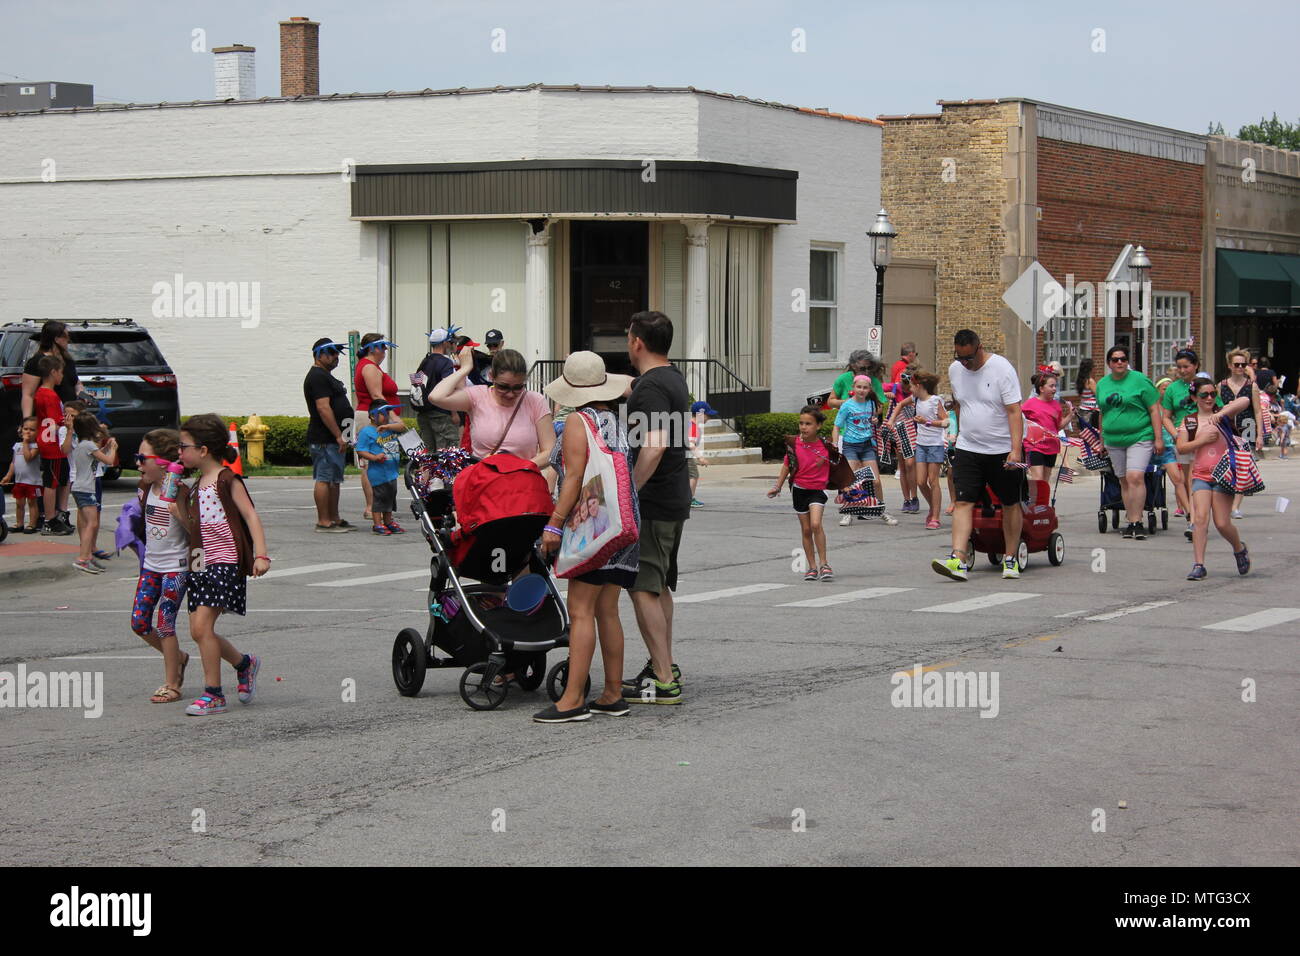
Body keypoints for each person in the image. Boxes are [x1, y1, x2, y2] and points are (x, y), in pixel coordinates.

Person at [536, 351, 639, 723]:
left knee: (580, 611)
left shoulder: (579, 421)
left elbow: (574, 477)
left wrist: (554, 522)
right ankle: (612, 694)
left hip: (592, 526)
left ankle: (572, 699)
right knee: (607, 610)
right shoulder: (612, 419)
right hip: (624, 525)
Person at [176, 413, 268, 716]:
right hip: (200, 562)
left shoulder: (227, 479)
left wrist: (261, 554)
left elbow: (251, 515)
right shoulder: (192, 485)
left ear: (203, 450)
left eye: (184, 446)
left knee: (202, 628)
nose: (180, 452)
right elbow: (195, 527)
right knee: (198, 631)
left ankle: (213, 693)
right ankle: (244, 663)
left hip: (225, 561)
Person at [621, 311, 689, 705]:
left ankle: (663, 678)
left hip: (653, 498)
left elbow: (655, 443)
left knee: (642, 587)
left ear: (636, 342)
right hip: (674, 494)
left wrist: (629, 491)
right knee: (659, 584)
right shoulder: (672, 378)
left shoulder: (651, 388)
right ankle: (664, 663)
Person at [932, 329, 1025, 581]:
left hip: (1002, 449)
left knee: (1009, 503)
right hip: (968, 447)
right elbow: (959, 403)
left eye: (968, 358)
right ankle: (958, 559)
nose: (964, 363)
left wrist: (1015, 450)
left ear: (979, 348)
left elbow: (1014, 411)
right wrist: (958, 434)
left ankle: (1010, 558)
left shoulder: (1001, 369)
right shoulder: (955, 370)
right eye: (959, 358)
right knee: (963, 502)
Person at [130, 429, 192, 703]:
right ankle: (177, 657)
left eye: (143, 458)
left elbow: (197, 531)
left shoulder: (179, 491)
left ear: (165, 462)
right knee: (139, 623)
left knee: (165, 624)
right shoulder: (145, 488)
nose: (138, 463)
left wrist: (180, 513)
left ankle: (172, 682)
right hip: (151, 566)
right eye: (137, 457)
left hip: (175, 568)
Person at [429, 346, 555, 467]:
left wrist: (519, 467)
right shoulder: (478, 396)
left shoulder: (535, 401)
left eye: (518, 387)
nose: (510, 394)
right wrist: (465, 369)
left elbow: (550, 451)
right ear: (491, 376)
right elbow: (436, 397)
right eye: (503, 387)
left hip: (522, 482)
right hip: (485, 482)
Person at [1176, 377, 1250, 581]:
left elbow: (1244, 401)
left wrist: (1222, 414)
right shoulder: (1189, 421)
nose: (1209, 398)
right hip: (1201, 475)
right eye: (1204, 395)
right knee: (1199, 520)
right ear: (1194, 397)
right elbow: (1181, 447)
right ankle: (1199, 564)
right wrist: (1201, 441)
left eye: (1212, 394)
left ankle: (1239, 548)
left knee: (1222, 523)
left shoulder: (1223, 415)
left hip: (1223, 475)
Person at [1096, 344, 1163, 541]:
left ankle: (1137, 521)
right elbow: (1103, 413)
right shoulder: (1102, 384)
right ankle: (1131, 520)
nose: (1119, 363)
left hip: (1140, 435)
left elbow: (1153, 409)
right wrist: (1101, 440)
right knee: (1124, 479)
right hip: (1113, 439)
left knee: (1135, 477)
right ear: (1109, 363)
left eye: (1123, 359)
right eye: (1115, 360)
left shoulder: (1140, 380)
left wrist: (1158, 438)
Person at [769, 406, 836, 582]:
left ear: (818, 426)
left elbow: (838, 468)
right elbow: (787, 466)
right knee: (806, 530)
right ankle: (812, 567)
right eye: (801, 423)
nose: (804, 427)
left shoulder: (825, 445)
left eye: (808, 424)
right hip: (799, 490)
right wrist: (777, 486)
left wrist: (844, 488)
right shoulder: (794, 444)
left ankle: (824, 564)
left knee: (815, 524)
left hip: (817, 490)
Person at [1159, 349, 1215, 538]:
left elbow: (1219, 408)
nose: (1182, 370)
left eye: (1186, 366)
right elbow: (1166, 417)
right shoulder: (1173, 389)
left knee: (1194, 479)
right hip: (1182, 437)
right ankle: (1192, 516)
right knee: (1182, 480)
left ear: (1196, 366)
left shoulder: (1205, 386)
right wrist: (1176, 434)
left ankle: (1195, 520)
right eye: (1179, 367)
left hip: (1204, 438)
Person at [353, 333, 407, 522]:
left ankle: (377, 507)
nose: (385, 351)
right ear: (372, 348)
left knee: (381, 461)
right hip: (373, 418)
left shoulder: (370, 366)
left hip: (375, 416)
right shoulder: (369, 367)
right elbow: (377, 396)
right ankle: (372, 507)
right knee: (372, 463)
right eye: (383, 347)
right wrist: (391, 417)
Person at [304, 338, 355, 532]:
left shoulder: (326, 376)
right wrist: (337, 435)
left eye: (337, 353)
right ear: (319, 355)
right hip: (324, 438)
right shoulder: (317, 376)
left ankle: (334, 517)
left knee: (335, 479)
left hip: (335, 439)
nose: (336, 357)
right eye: (332, 353)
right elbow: (323, 408)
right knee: (325, 478)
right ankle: (323, 521)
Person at [833, 375, 893, 527]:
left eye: (865, 387)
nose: (862, 390)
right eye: (859, 387)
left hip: (867, 445)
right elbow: (837, 426)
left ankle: (881, 510)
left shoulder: (871, 404)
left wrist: (875, 421)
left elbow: (874, 422)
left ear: (869, 389)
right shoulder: (847, 405)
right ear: (853, 388)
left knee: (876, 481)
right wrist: (834, 444)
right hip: (850, 446)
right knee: (849, 481)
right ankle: (847, 513)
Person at [69, 411, 116, 574]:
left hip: (79, 487)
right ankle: (82, 559)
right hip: (85, 488)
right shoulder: (88, 445)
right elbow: (109, 461)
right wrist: (113, 449)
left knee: (86, 522)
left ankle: (87, 557)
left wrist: (105, 448)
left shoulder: (83, 445)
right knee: (92, 523)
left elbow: (95, 457)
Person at [33, 354, 75, 536]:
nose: (62, 376)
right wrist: (68, 421)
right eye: (60, 372)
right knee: (52, 482)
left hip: (51, 442)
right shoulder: (48, 395)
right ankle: (50, 519)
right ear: (53, 372)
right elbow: (54, 419)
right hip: (52, 445)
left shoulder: (44, 393)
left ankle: (58, 515)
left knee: (62, 479)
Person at [1219, 348, 1264, 520]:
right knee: (1228, 466)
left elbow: (1258, 411)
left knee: (1242, 467)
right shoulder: (1221, 385)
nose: (1240, 367)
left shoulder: (1251, 386)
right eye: (1236, 364)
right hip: (1227, 428)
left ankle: (1235, 506)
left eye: (1243, 365)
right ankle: (1226, 502)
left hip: (1247, 427)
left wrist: (1260, 435)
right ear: (1230, 366)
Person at [19, 320, 87, 420]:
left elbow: (76, 383)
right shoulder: (37, 361)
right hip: (48, 418)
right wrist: (27, 420)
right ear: (56, 339)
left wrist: (82, 393)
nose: (68, 340)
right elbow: (28, 395)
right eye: (66, 337)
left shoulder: (67, 360)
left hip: (70, 417)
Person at [411, 328, 462, 453]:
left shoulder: (424, 361)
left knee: (428, 454)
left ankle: (426, 473)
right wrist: (454, 414)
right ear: (445, 343)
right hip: (441, 413)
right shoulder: (446, 363)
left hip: (423, 414)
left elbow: (417, 384)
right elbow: (448, 388)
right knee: (447, 453)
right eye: (450, 342)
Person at [909, 370, 949, 529]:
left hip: (935, 444)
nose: (910, 389)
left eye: (912, 386)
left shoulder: (934, 401)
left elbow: (946, 422)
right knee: (920, 481)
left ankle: (936, 517)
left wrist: (927, 422)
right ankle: (933, 507)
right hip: (921, 444)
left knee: (933, 481)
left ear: (919, 386)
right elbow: (900, 402)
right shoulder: (915, 400)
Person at [355, 404, 403, 535]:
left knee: (390, 497)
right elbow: (360, 450)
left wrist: (388, 425)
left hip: (391, 471)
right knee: (379, 498)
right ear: (372, 416)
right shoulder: (367, 432)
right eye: (383, 413)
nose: (387, 416)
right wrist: (374, 457)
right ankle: (377, 524)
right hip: (378, 472)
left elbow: (402, 426)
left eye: (388, 413)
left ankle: (388, 522)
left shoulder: (389, 429)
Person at [1022, 369, 1075, 483]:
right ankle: (1035, 500)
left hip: (1051, 447)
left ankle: (1042, 501)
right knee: (1038, 479)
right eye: (1051, 386)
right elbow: (1018, 419)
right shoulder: (1030, 404)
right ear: (1041, 389)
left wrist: (1070, 416)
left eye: (1055, 386)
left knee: (1045, 481)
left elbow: (1057, 427)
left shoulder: (1056, 406)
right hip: (1034, 446)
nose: (1054, 389)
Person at [883, 371, 920, 513]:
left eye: (909, 384)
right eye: (904, 384)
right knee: (903, 466)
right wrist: (886, 395)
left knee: (910, 464)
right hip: (898, 429)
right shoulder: (895, 387)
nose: (906, 387)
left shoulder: (915, 392)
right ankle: (907, 499)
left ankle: (914, 497)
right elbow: (875, 387)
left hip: (912, 430)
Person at [0, 417, 42, 533]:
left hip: (32, 481)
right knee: (19, 503)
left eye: (32, 430)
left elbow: (28, 458)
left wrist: (26, 443)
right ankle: (19, 523)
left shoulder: (35, 446)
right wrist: (8, 475)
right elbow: (14, 462)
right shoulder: (17, 446)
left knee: (32, 503)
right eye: (25, 429)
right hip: (19, 480)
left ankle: (32, 524)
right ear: (21, 429)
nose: (28, 432)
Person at [687, 400, 715, 508]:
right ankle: (689, 499)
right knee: (693, 475)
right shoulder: (693, 427)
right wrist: (701, 458)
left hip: (682, 456)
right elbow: (691, 444)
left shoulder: (690, 425)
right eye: (708, 415)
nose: (709, 418)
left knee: (686, 477)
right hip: (687, 456)